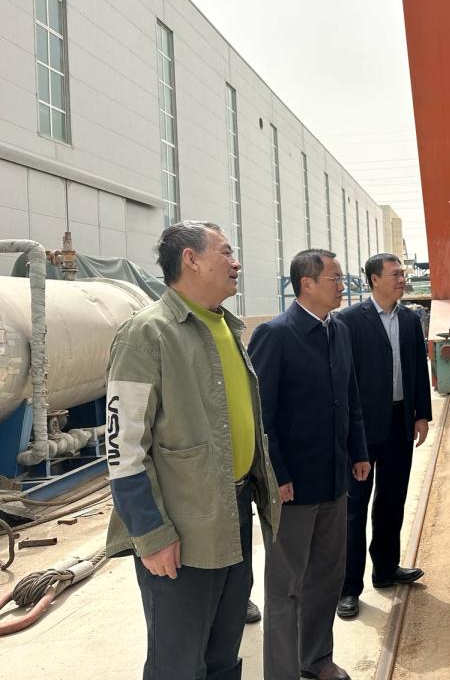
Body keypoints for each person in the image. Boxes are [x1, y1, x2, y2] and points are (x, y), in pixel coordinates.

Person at [104, 221, 280, 680]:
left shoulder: (226, 327)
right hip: (180, 531)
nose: (236, 262)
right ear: (191, 259)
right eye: (226, 252)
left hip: (233, 514)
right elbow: (123, 447)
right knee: (178, 664)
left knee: (224, 654)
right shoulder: (148, 333)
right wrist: (151, 534)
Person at [249, 249, 371, 680]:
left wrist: (358, 451)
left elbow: (350, 396)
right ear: (307, 284)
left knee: (326, 577)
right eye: (335, 278)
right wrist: (277, 474)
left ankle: (316, 659)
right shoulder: (275, 335)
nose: (343, 286)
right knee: (286, 588)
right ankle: (281, 672)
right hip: (292, 487)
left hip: (334, 478)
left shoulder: (337, 331)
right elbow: (260, 415)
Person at [336, 253, 432, 619]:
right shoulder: (348, 320)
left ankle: (386, 568)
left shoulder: (409, 319)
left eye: (403, 273)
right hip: (361, 428)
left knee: (392, 499)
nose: (402, 279)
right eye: (395, 274)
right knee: (354, 508)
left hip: (399, 422)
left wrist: (421, 414)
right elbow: (342, 377)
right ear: (374, 279)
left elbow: (418, 369)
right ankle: (348, 588)